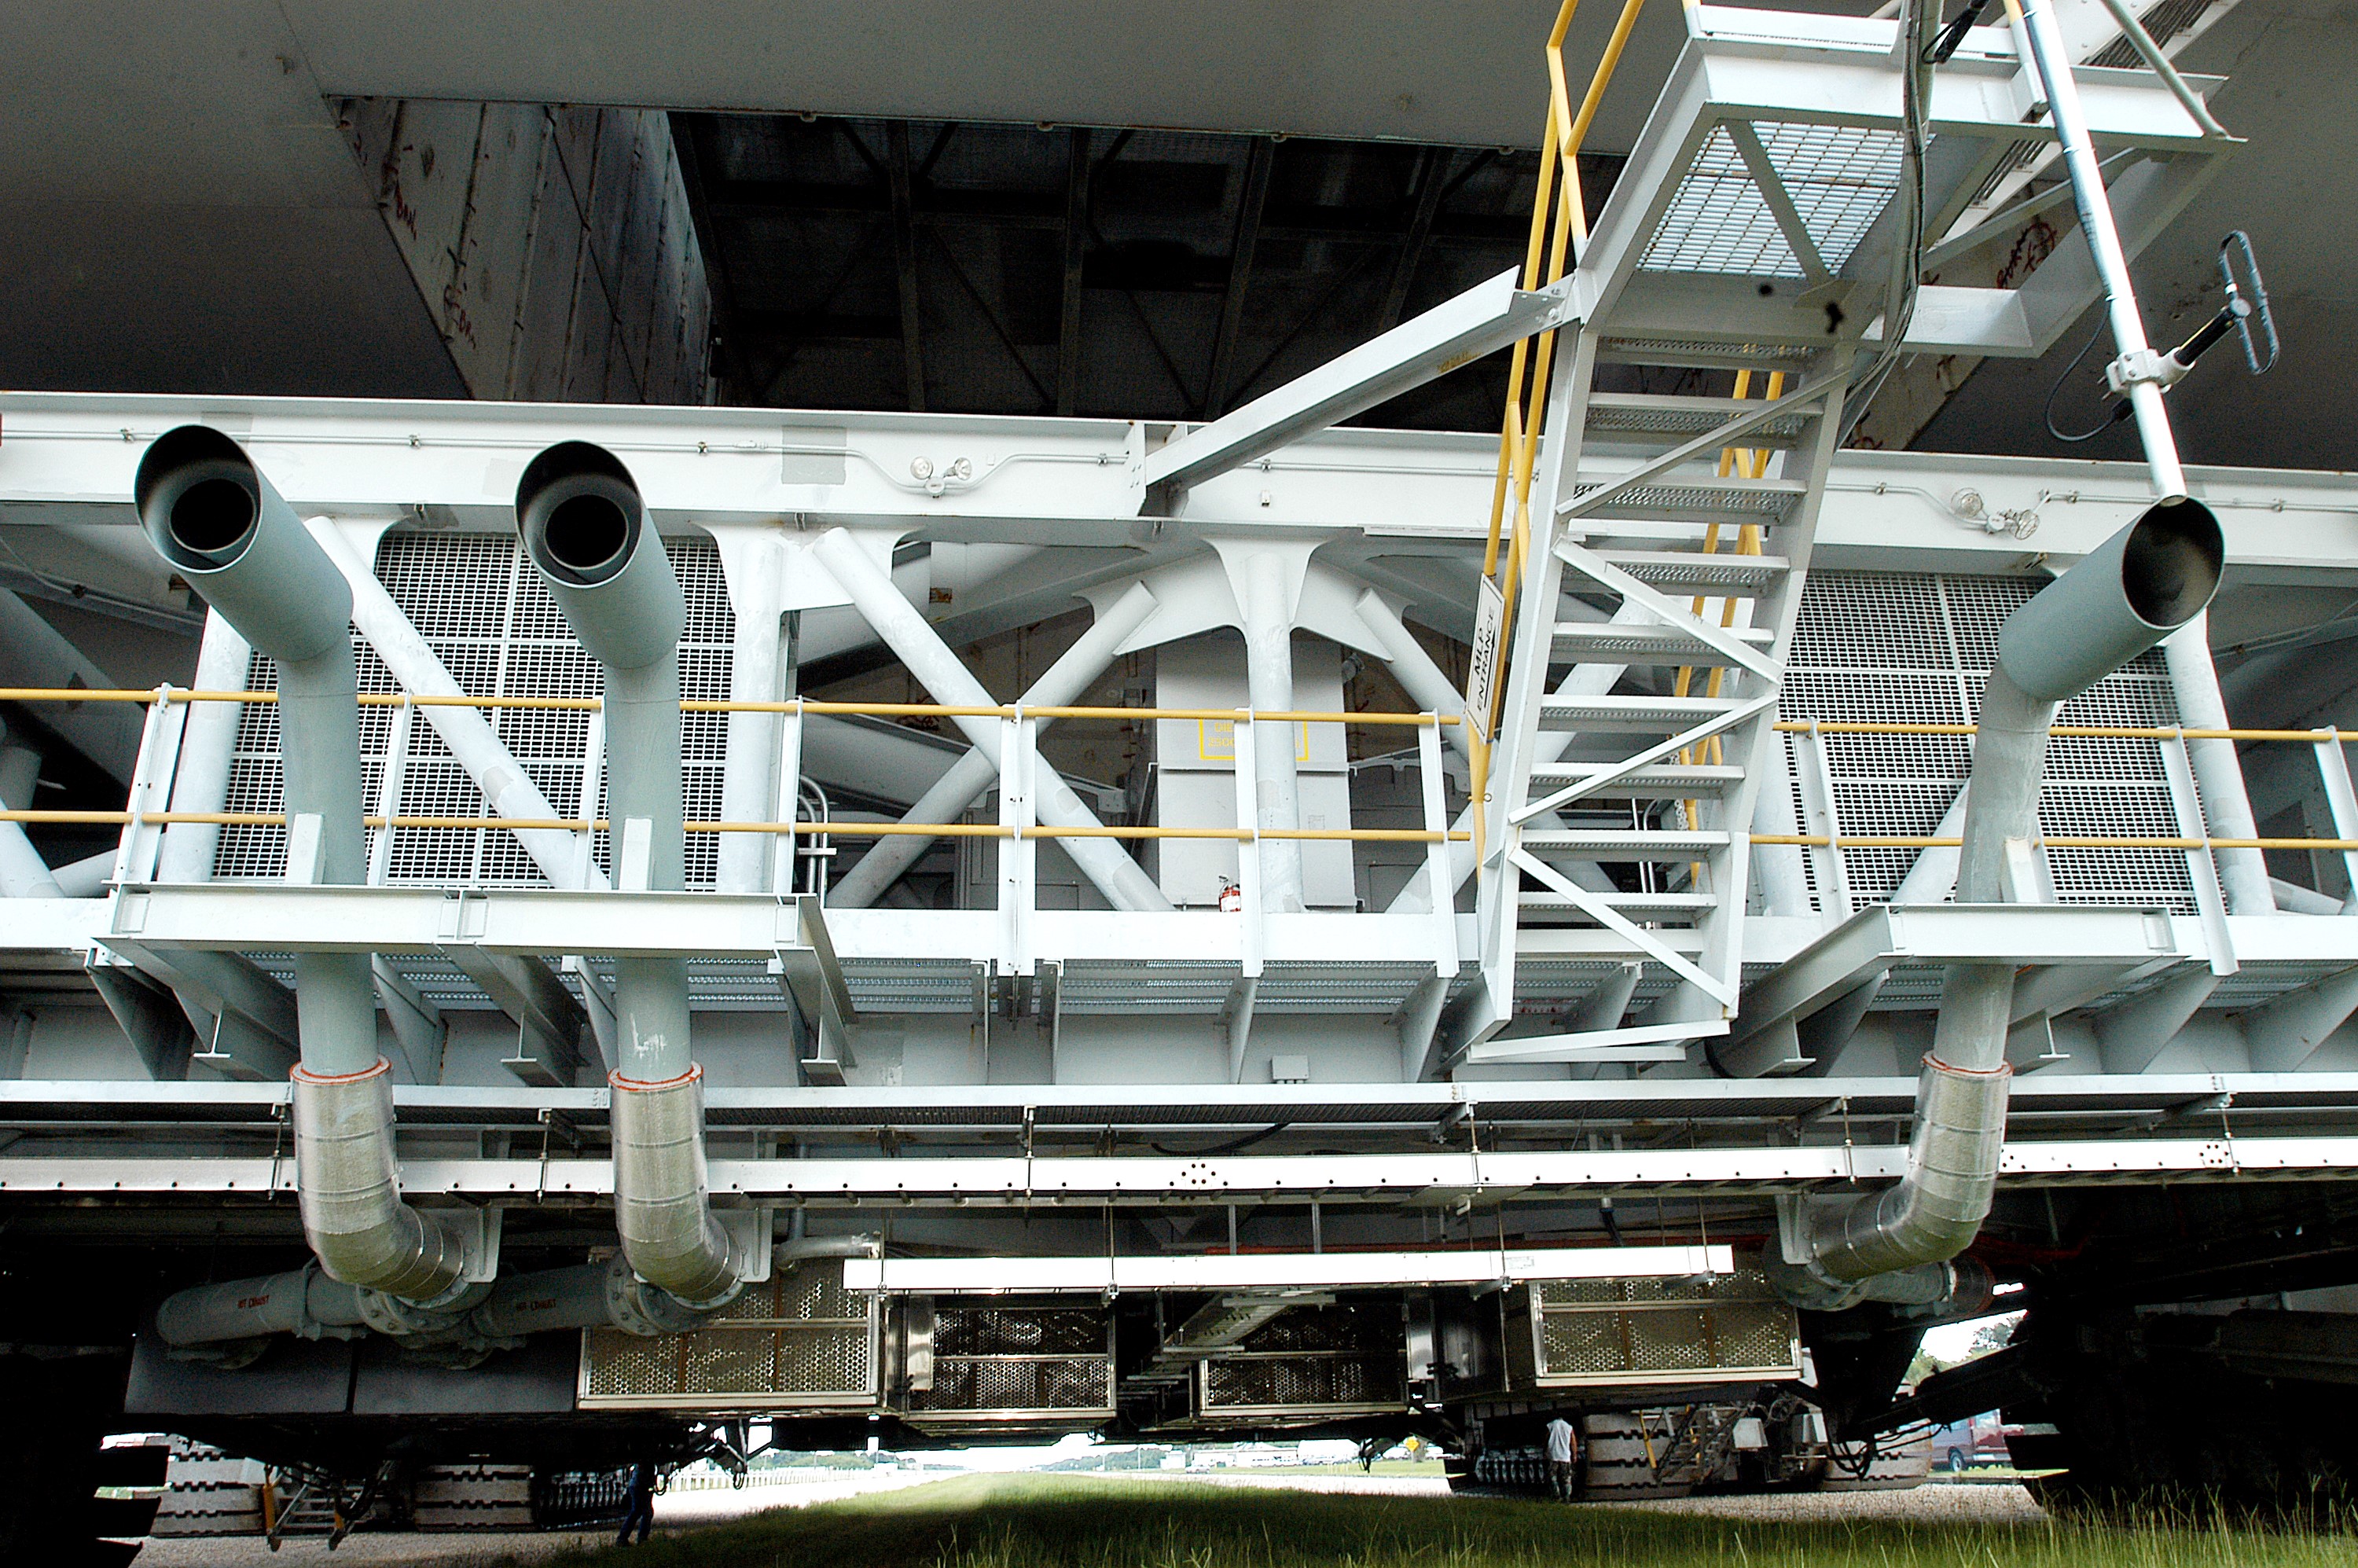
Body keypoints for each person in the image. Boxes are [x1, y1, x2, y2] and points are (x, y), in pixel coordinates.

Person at [615, 1461, 656, 1547]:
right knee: (645, 1512)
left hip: (639, 1485)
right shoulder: (646, 1460)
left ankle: (624, 1538)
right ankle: (640, 1538)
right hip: (641, 1485)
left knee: (639, 1512)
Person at [1544, 1416, 1579, 1500]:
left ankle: (1557, 1496)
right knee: (1566, 1478)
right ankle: (1567, 1496)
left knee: (1553, 1477)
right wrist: (1574, 1455)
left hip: (1553, 1455)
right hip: (1565, 1456)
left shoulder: (1551, 1425)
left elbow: (1546, 1439)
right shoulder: (1569, 1427)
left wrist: (1544, 1451)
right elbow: (1573, 1442)